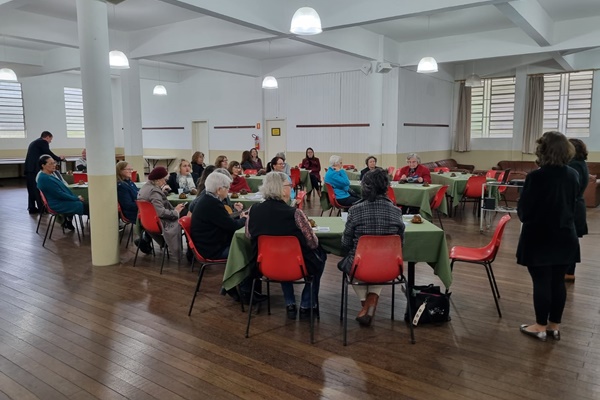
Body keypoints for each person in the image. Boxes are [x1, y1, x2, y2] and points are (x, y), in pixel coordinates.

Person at [517, 131, 580, 341]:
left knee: (542, 281)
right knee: (558, 282)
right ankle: (554, 326)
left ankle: (540, 326)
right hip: (566, 235)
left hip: (540, 237)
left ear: (543, 151)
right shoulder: (573, 174)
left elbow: (524, 213)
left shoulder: (536, 177)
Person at [246, 171, 326, 319]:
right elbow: (313, 243)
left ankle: (290, 302)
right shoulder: (295, 214)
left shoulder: (253, 210)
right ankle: (306, 303)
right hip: (295, 265)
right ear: (282, 189)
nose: (291, 188)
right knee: (320, 255)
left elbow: (249, 235)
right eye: (289, 185)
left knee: (282, 257)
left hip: (264, 265)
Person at [339, 168, 405, 326]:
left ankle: (367, 303)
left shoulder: (355, 210)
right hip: (389, 266)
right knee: (379, 263)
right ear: (386, 187)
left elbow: (346, 243)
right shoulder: (396, 212)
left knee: (352, 263)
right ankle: (372, 299)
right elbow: (401, 243)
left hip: (360, 266)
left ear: (365, 187)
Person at [137, 166, 186, 257]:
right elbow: (161, 212)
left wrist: (162, 192)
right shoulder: (154, 192)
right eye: (164, 179)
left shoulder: (145, 188)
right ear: (158, 180)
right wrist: (176, 211)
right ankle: (190, 252)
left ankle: (161, 242)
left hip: (147, 223)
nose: (165, 182)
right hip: (159, 223)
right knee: (187, 216)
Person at [37, 154, 88, 229]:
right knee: (87, 206)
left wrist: (75, 198)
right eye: (51, 163)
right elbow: (59, 194)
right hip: (57, 204)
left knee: (86, 204)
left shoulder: (49, 175)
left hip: (59, 201)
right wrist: (76, 198)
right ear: (43, 165)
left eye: (54, 163)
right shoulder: (45, 178)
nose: (54, 165)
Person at [565, 138, 589, 282]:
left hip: (573, 206)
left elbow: (571, 187)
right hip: (577, 205)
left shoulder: (574, 165)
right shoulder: (581, 163)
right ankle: (569, 270)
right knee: (572, 240)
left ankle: (569, 271)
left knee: (570, 240)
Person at [116, 161, 151, 254]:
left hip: (138, 210)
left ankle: (146, 239)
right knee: (153, 217)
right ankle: (146, 240)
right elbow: (128, 205)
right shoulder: (121, 186)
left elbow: (139, 195)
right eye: (128, 169)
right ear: (120, 171)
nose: (130, 171)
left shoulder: (129, 182)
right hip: (131, 212)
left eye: (131, 169)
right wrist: (143, 205)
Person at [25, 131, 64, 214]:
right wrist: (58, 158)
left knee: (31, 189)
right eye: (50, 139)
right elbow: (48, 153)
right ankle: (41, 208)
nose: (50, 141)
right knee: (37, 188)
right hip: (35, 168)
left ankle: (32, 208)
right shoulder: (43, 142)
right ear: (47, 137)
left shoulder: (34, 142)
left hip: (29, 168)